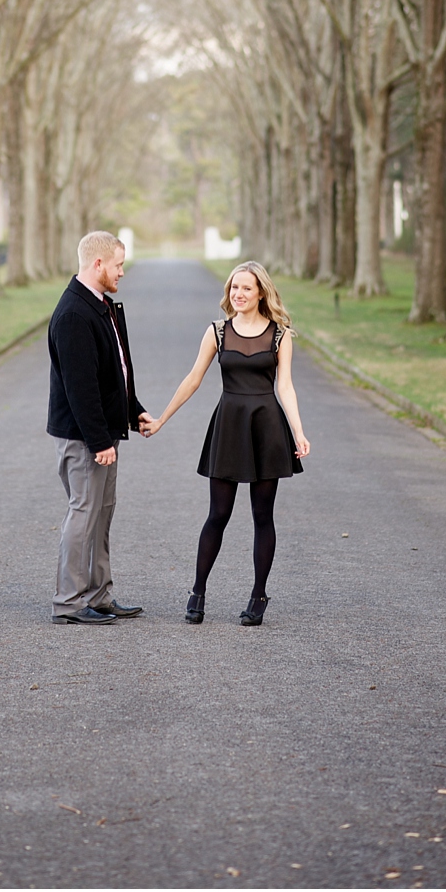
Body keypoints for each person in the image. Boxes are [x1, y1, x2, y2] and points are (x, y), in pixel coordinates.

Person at [145, 261, 311, 626]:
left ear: (261, 293)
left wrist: (298, 432)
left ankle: (259, 595)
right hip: (229, 427)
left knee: (262, 516)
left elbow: (285, 387)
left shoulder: (281, 335)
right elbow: (193, 380)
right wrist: (161, 419)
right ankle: (198, 591)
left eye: (246, 288)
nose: (238, 294)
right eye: (234, 287)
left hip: (267, 427)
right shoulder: (217, 332)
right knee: (217, 514)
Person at [48, 230, 155, 624]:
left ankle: (98, 594)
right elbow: (81, 387)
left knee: (101, 513)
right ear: (98, 264)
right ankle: (69, 603)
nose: (122, 272)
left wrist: (132, 411)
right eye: (118, 265)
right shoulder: (74, 313)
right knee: (84, 511)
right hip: (84, 438)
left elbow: (115, 372)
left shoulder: (101, 305)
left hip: (104, 432)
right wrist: (97, 439)